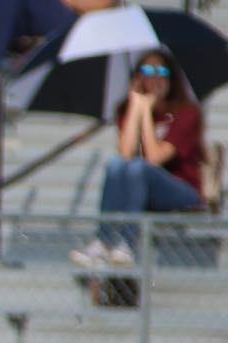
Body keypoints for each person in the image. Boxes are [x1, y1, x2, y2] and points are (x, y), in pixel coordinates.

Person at [73, 47, 207, 270]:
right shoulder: (127, 109)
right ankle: (104, 241)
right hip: (141, 186)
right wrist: (136, 107)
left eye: (161, 71)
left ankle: (127, 243)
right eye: (147, 69)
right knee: (116, 164)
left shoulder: (186, 113)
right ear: (137, 77)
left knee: (139, 168)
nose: (154, 77)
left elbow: (154, 158)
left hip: (182, 190)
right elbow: (124, 154)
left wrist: (145, 112)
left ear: (171, 77)